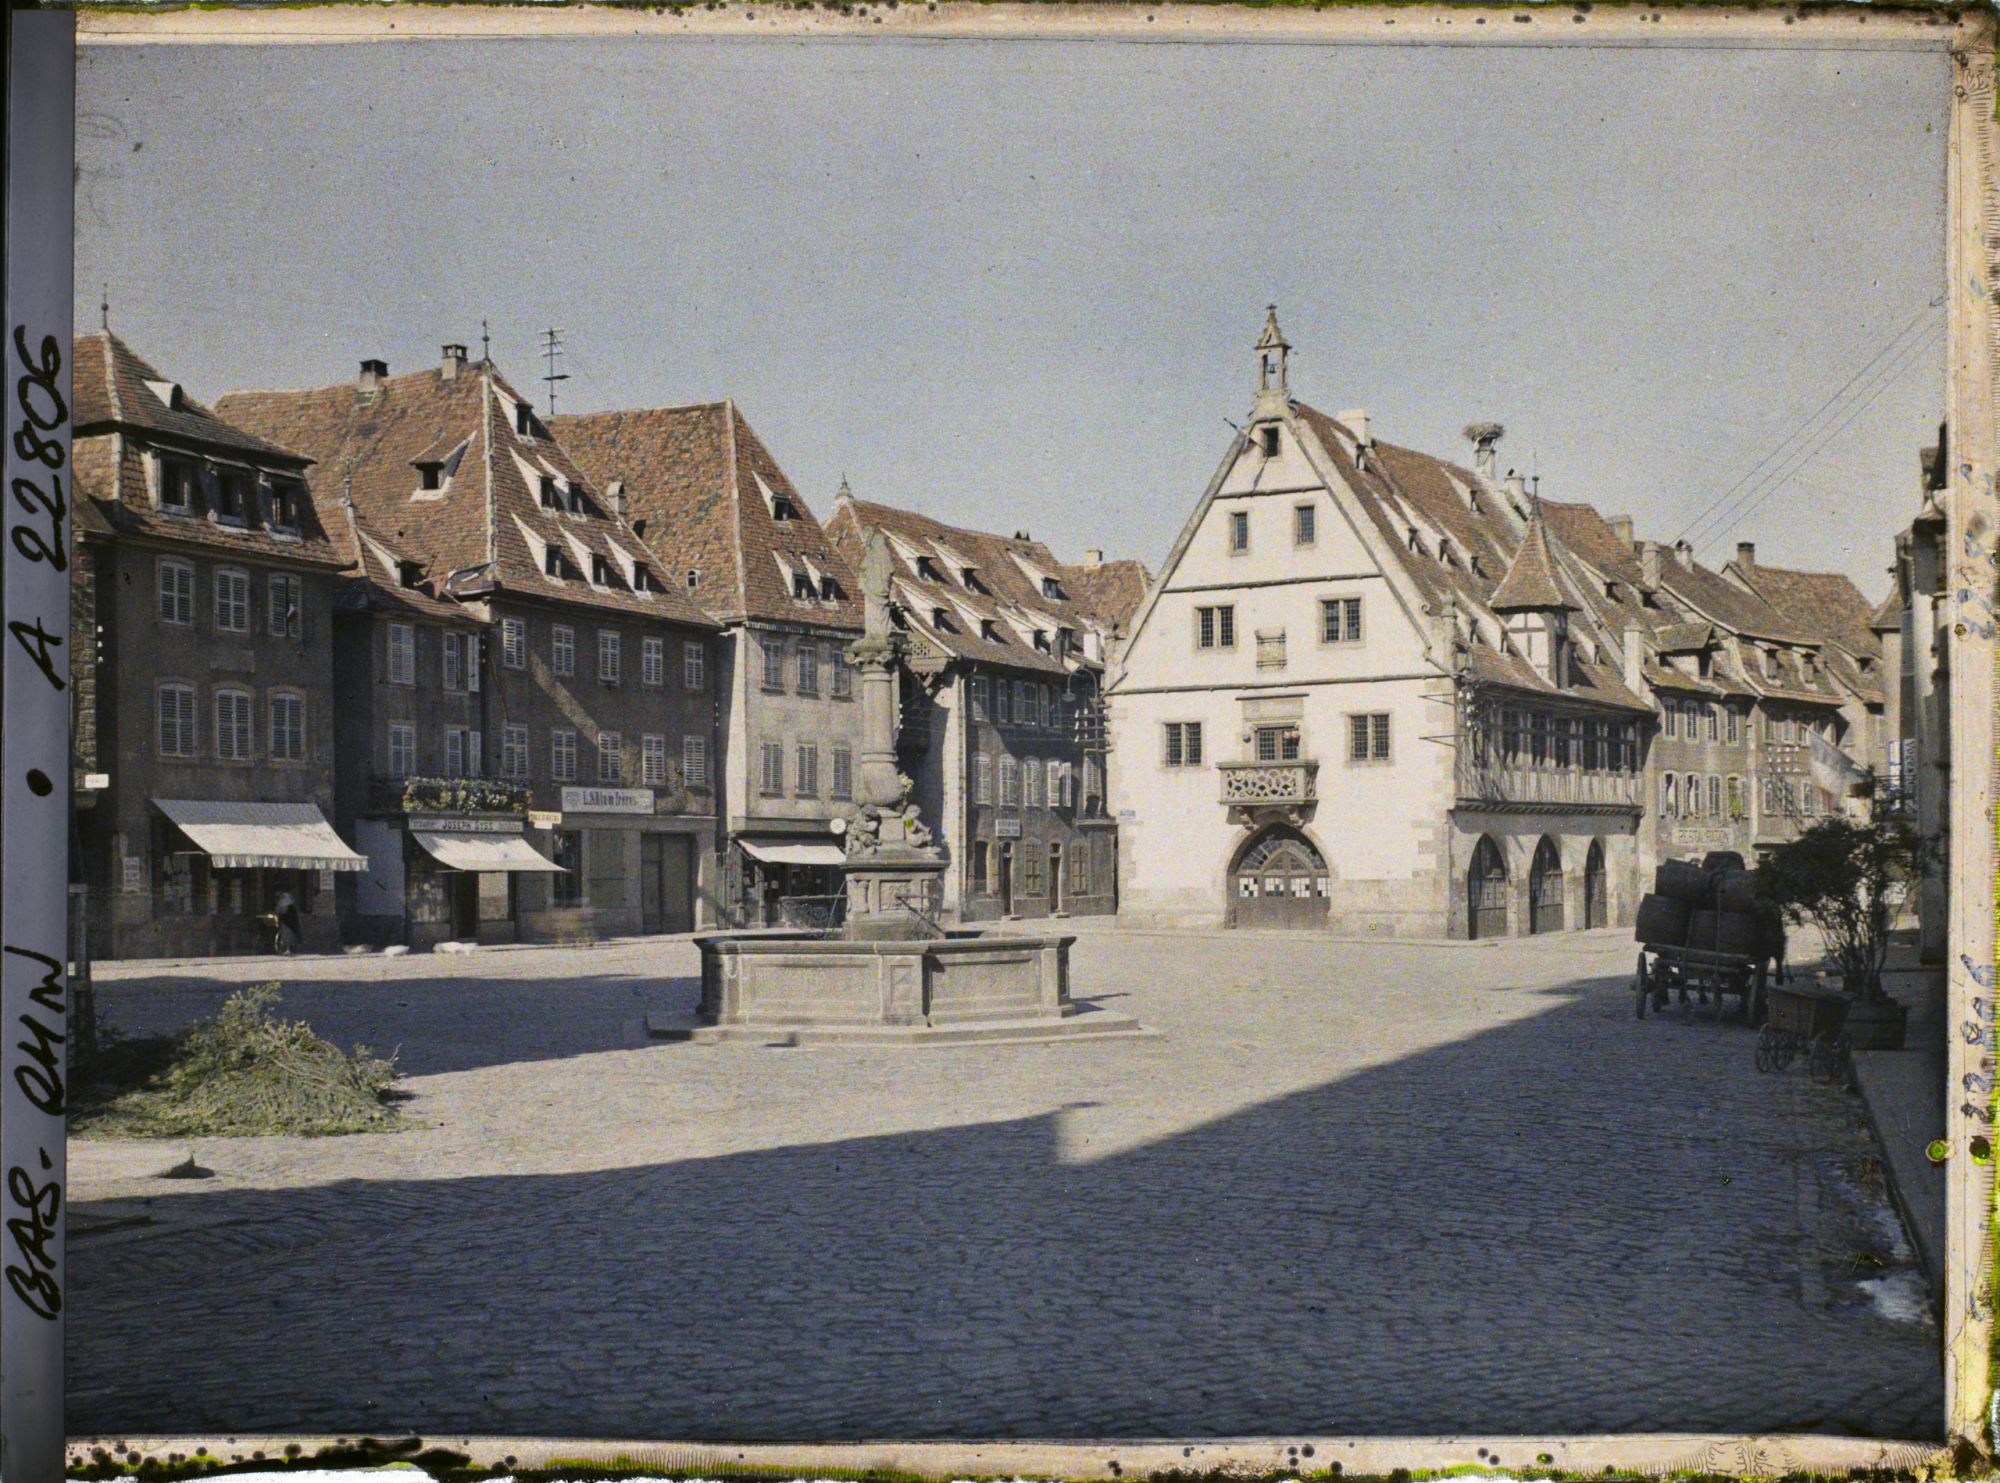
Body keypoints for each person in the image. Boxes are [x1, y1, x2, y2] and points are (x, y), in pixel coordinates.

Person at [273, 888, 301, 954]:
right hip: (287, 920)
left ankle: (288, 948)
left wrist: (278, 913)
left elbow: (282, 909)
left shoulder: (285, 898)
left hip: (287, 920)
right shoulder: (286, 898)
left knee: (287, 935)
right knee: (287, 934)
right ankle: (288, 948)